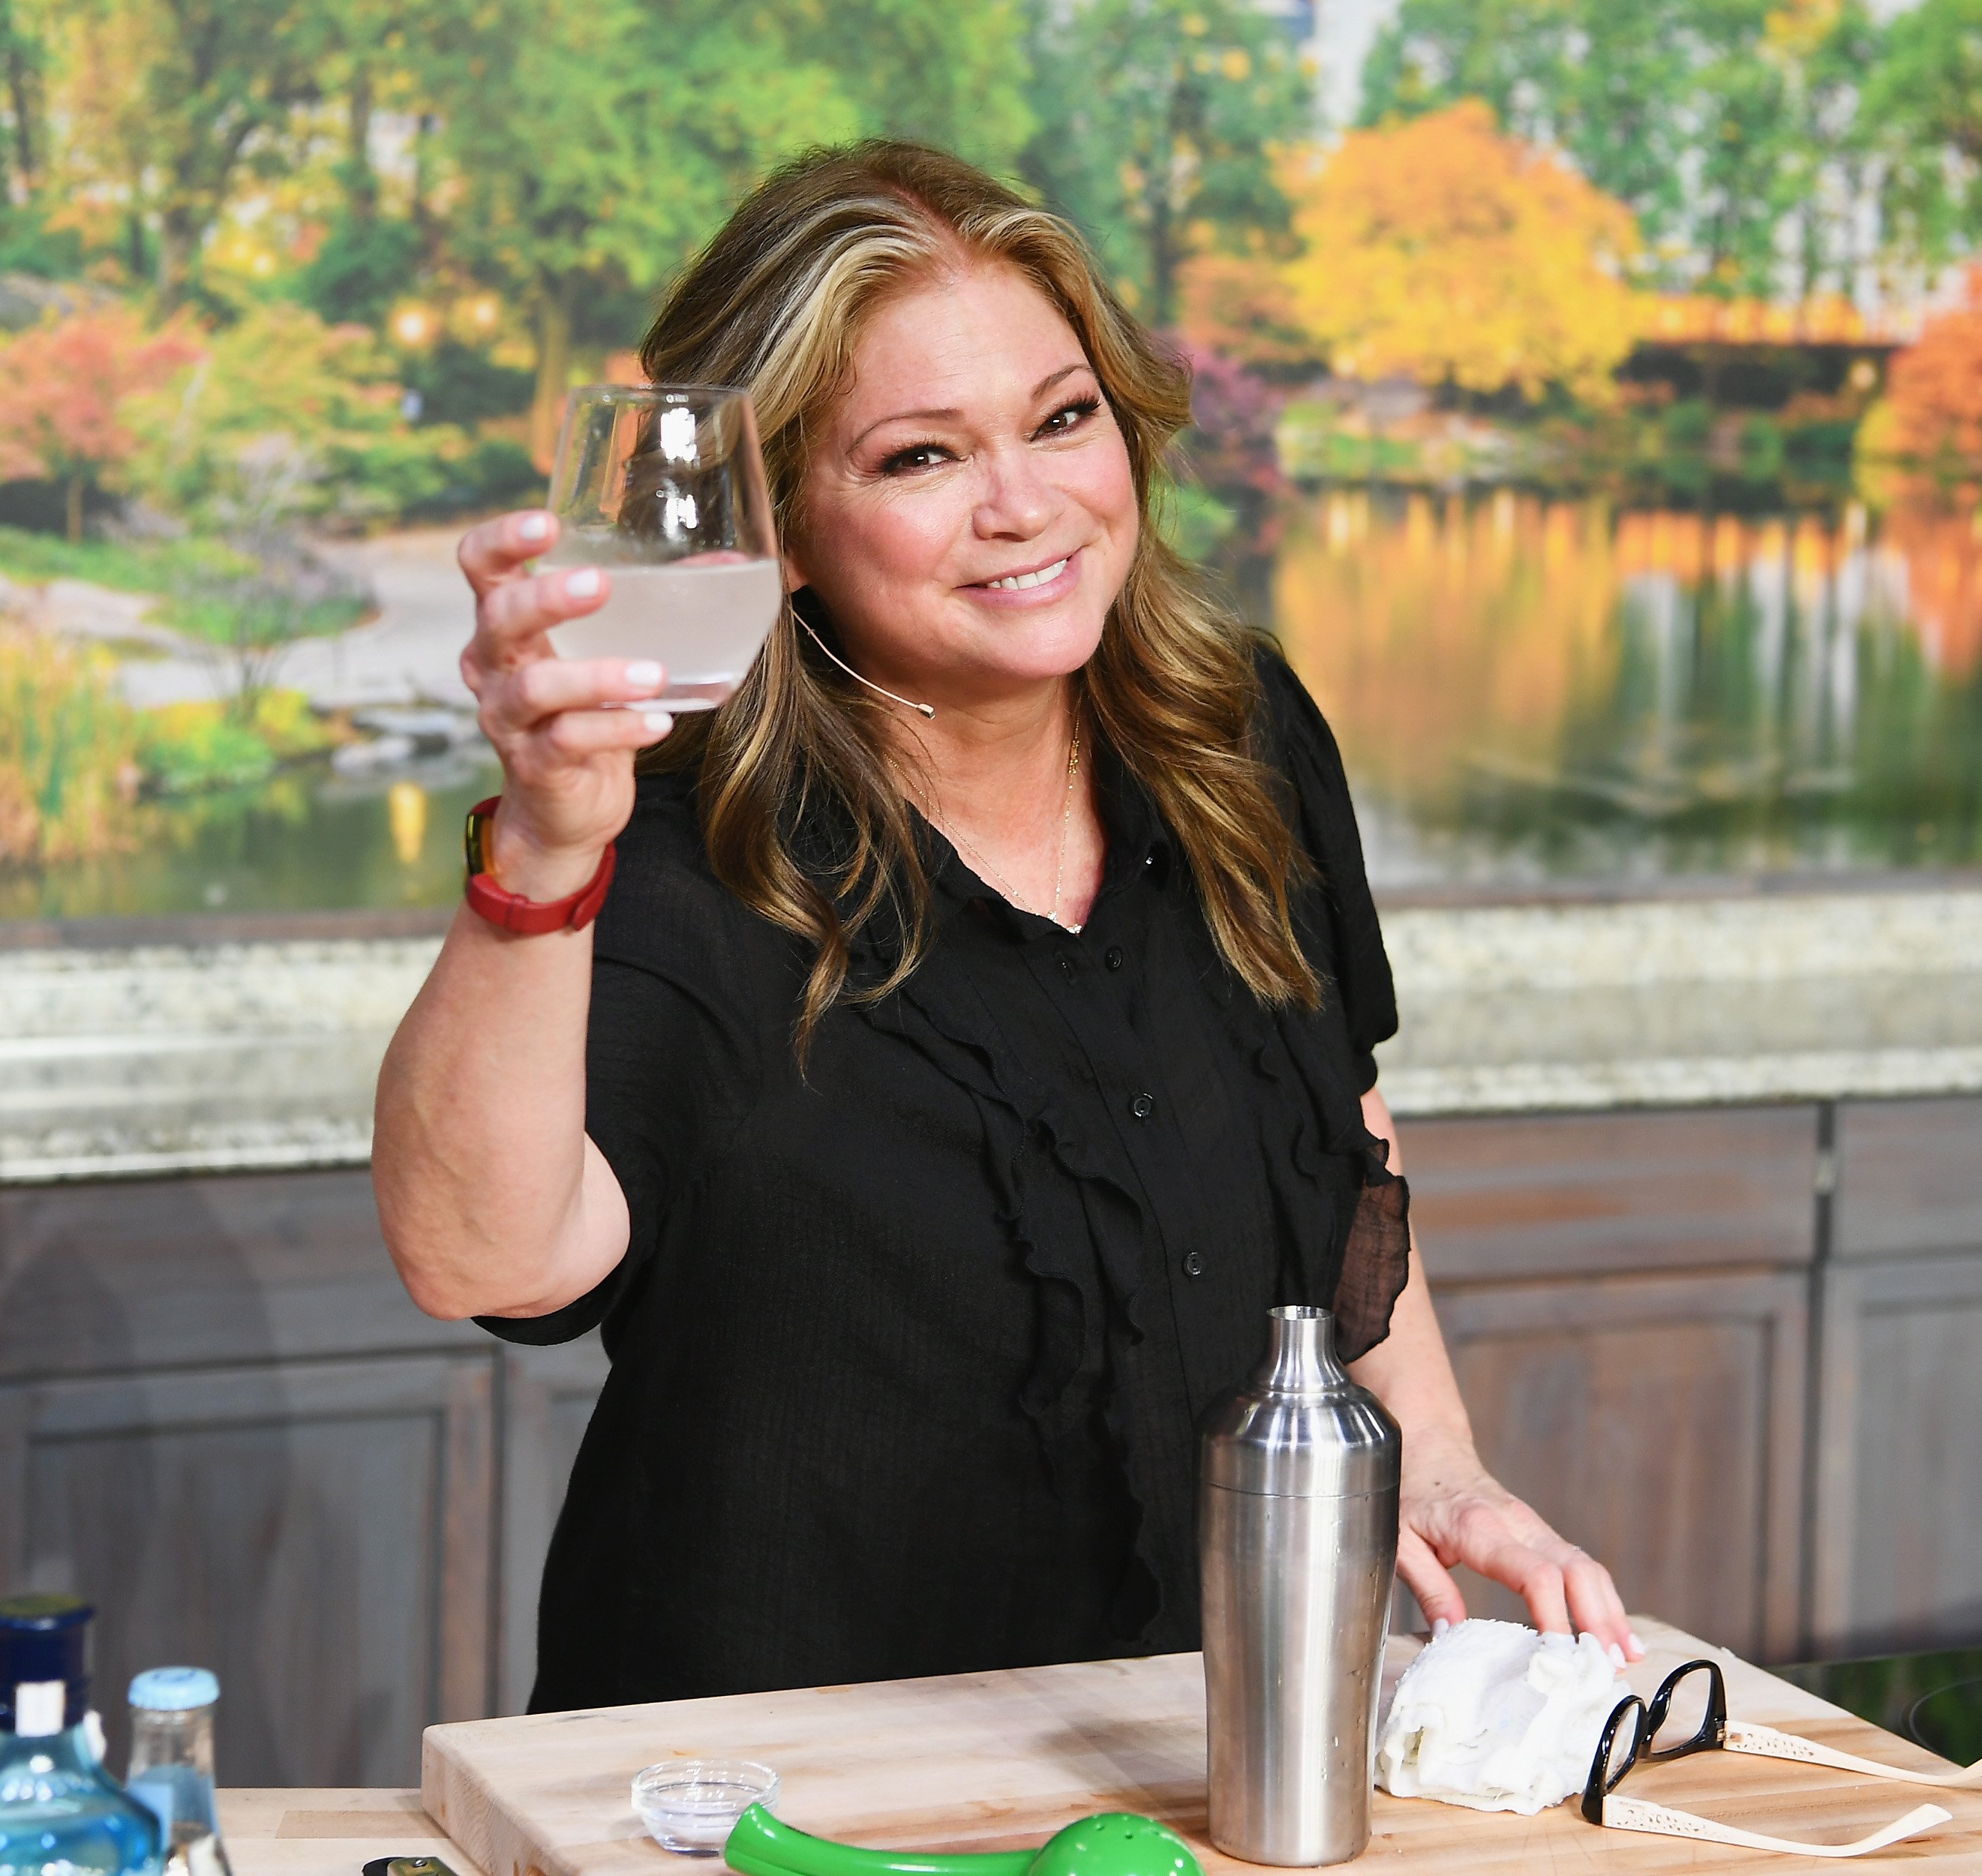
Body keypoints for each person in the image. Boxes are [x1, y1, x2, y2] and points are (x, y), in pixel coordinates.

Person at [374, 140, 1632, 1712]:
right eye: (919, 458)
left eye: (1061, 417)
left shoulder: (1234, 735)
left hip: (1191, 1757)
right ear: (779, 522)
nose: (1024, 504)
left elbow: (1334, 1125)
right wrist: (543, 850)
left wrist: (1434, 1465)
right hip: (777, 1798)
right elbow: (480, 1257)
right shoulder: (685, 842)